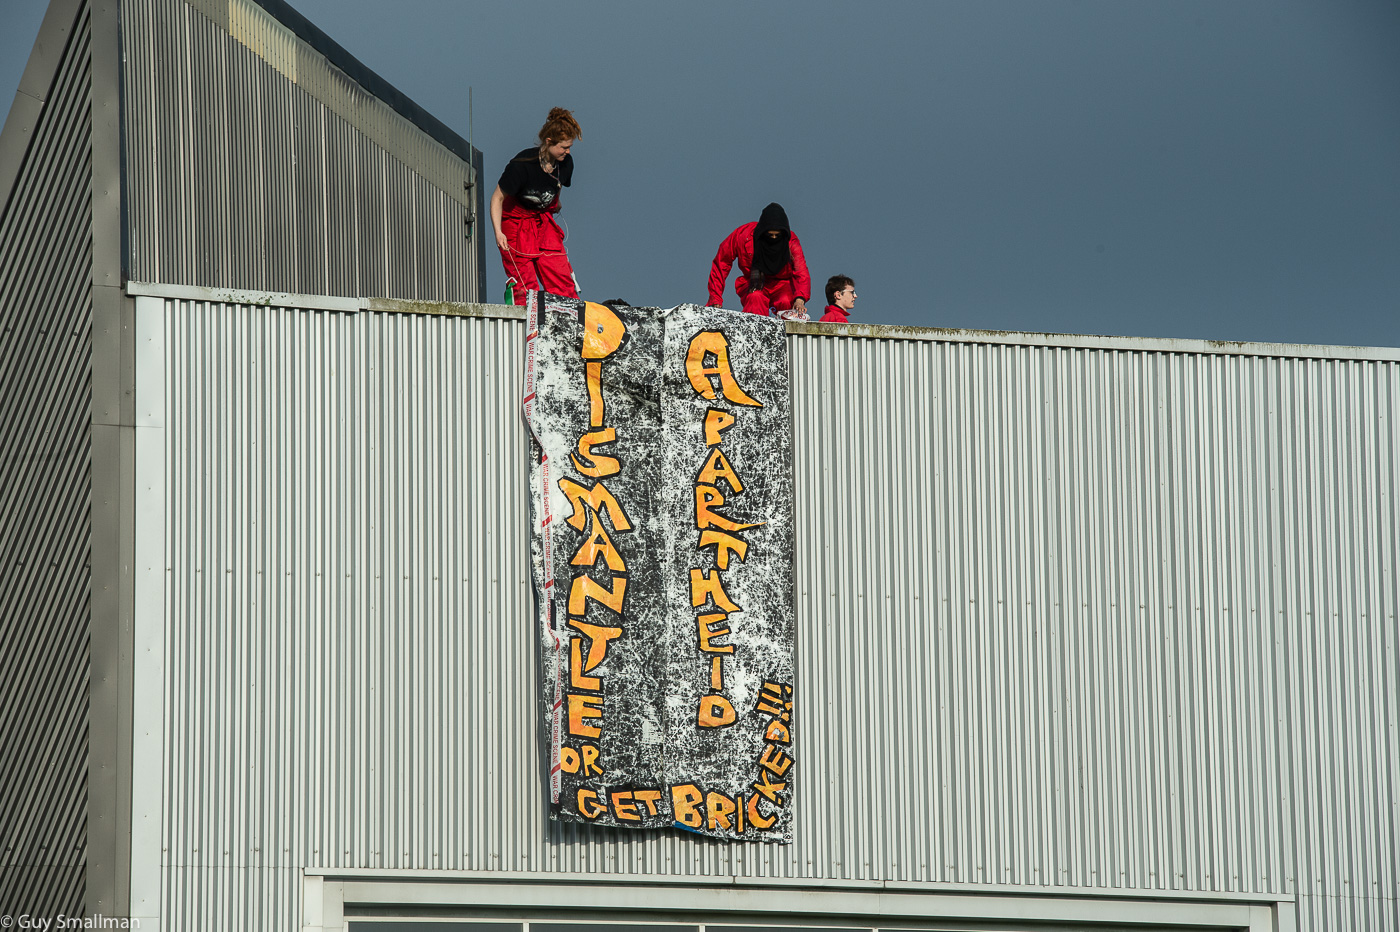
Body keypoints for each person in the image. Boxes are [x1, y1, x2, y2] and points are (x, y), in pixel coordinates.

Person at [491, 108, 582, 305]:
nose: (567, 152)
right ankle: (526, 326)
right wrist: (498, 233)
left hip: (543, 221)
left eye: (569, 147)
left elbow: (558, 186)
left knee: (560, 275)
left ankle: (568, 318)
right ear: (549, 142)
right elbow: (497, 198)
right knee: (525, 285)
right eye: (563, 147)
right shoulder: (521, 166)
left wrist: (554, 204)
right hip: (516, 222)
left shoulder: (566, 163)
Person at [706, 203, 811, 319]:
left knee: (785, 301)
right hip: (754, 281)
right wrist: (715, 297)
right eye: (770, 235)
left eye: (778, 235)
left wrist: (800, 299)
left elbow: (801, 271)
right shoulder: (743, 235)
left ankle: (785, 335)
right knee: (755, 298)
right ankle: (754, 333)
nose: (774, 238)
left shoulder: (791, 242)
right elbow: (722, 262)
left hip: (781, 284)